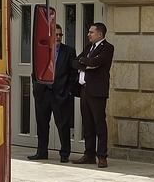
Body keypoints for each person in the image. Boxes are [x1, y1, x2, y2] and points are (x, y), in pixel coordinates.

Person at [28, 22, 75, 163]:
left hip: (60, 93)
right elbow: (35, 71)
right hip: (43, 93)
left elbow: (73, 74)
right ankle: (41, 151)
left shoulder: (69, 51)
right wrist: (35, 87)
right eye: (56, 35)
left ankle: (65, 153)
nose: (59, 37)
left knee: (62, 125)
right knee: (42, 124)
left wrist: (68, 91)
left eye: (60, 35)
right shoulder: (42, 50)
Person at [73, 21, 114, 168]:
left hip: (97, 91)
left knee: (99, 123)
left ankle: (102, 155)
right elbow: (75, 62)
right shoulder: (89, 47)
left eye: (91, 32)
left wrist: (87, 62)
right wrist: (86, 63)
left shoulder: (107, 48)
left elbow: (97, 62)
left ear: (100, 34)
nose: (88, 34)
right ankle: (88, 154)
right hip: (85, 90)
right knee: (87, 123)